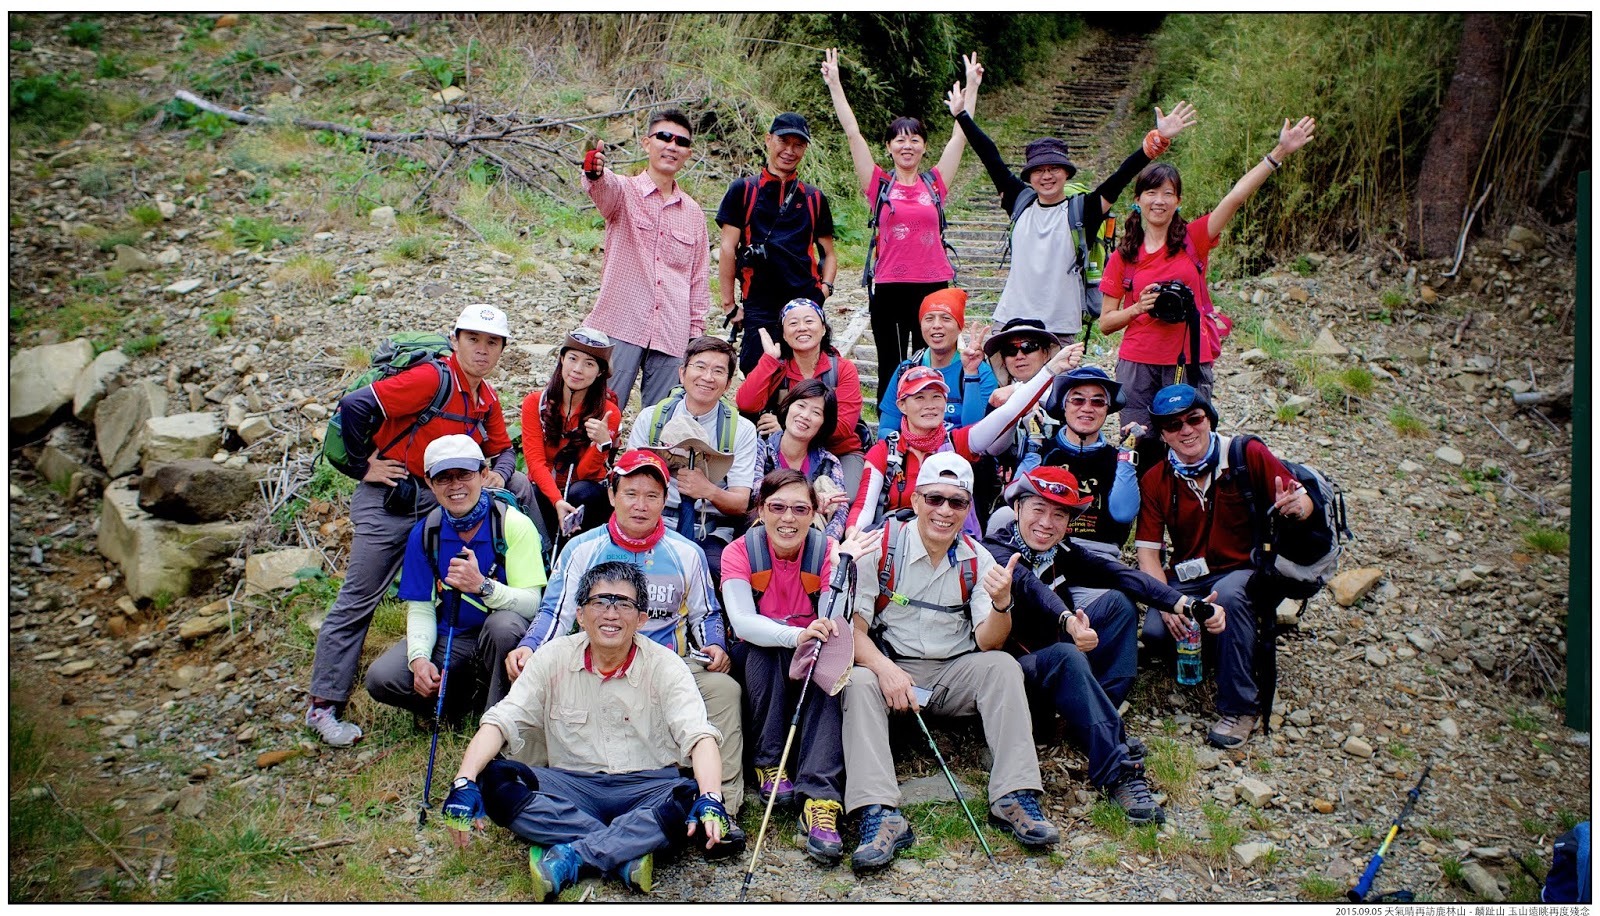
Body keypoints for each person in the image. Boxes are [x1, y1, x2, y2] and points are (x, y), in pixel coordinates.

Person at [439, 561, 739, 900]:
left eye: (623, 604)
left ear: (641, 619)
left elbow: (699, 736)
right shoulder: (552, 657)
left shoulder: (666, 664)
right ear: (580, 615)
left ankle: (575, 854)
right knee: (494, 780)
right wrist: (463, 781)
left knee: (691, 796)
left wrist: (711, 797)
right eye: (600, 602)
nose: (611, 614)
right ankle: (626, 850)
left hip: (646, 786)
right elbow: (501, 720)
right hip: (572, 786)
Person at [306, 304, 535, 747]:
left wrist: (500, 475)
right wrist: (362, 467)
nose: (483, 350)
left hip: (438, 497)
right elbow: (355, 405)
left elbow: (504, 450)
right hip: (390, 497)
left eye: (492, 343)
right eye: (473, 340)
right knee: (360, 596)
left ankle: (522, 604)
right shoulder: (433, 379)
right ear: (455, 340)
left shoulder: (484, 396)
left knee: (518, 486)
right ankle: (324, 704)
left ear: (502, 349)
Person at [843, 453, 1059, 872]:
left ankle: (1014, 795)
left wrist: (1002, 603)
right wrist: (886, 670)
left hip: (952, 672)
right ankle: (878, 812)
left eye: (957, 502)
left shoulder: (979, 559)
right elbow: (853, 629)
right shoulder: (880, 547)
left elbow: (989, 641)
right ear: (916, 500)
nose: (945, 511)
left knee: (1002, 668)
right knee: (857, 681)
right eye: (934, 499)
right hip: (890, 666)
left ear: (967, 508)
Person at [506, 450, 746, 821]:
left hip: (670, 668)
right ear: (611, 495)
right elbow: (555, 612)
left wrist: (714, 644)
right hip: (595, 662)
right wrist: (529, 647)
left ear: (664, 501)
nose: (640, 505)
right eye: (631, 494)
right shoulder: (581, 549)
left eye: (652, 496)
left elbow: (706, 613)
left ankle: (721, 807)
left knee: (724, 690)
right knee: (533, 676)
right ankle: (531, 791)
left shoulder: (688, 553)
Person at [983, 466, 1209, 825]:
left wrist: (1187, 605)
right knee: (1066, 655)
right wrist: (1069, 621)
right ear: (1017, 508)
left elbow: (1120, 573)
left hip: (1059, 666)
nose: (1047, 523)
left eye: (1059, 515)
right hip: (1015, 681)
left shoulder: (1060, 551)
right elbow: (1032, 589)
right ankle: (1117, 770)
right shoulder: (995, 551)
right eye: (1038, 509)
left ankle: (1093, 721)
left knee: (1118, 603)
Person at [1099, 116, 1317, 433]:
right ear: (1138, 200)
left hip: (1188, 360)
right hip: (1137, 364)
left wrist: (1279, 152)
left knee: (1191, 443)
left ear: (1178, 201)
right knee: (1138, 443)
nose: (1159, 200)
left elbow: (1236, 197)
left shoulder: (1194, 239)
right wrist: (1138, 308)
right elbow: (1105, 323)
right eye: (1151, 192)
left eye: (1168, 193)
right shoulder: (1124, 256)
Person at [1134, 384, 1314, 748]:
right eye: (1173, 425)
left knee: (1229, 598)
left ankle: (1240, 707)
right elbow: (1148, 554)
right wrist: (1165, 601)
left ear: (1209, 419)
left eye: (1194, 419)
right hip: (1189, 574)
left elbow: (1302, 499)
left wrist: (1297, 507)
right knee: (1155, 632)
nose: (1186, 430)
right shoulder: (1156, 479)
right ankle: (1228, 645)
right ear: (1163, 435)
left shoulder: (1246, 454)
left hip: (1245, 569)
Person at [721, 470, 873, 866]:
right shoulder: (739, 551)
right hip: (760, 660)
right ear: (760, 510)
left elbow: (833, 620)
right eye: (777, 507)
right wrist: (796, 635)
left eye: (800, 509)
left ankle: (820, 798)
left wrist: (843, 572)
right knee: (764, 648)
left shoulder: (827, 551)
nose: (788, 518)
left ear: (815, 513)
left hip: (810, 655)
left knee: (830, 667)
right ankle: (769, 762)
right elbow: (743, 622)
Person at [956, 102, 1197, 337]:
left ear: (1066, 172)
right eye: (1039, 170)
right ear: (1029, 176)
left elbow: (1121, 177)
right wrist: (961, 115)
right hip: (1010, 320)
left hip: (1059, 326)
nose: (1047, 176)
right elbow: (990, 157)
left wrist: (1157, 141)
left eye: (1054, 168)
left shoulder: (1083, 210)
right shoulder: (1019, 201)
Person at [821, 47, 983, 398]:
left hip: (933, 287)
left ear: (924, 147)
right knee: (891, 366)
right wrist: (835, 84)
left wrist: (972, 86)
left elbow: (960, 136)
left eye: (914, 139)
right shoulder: (878, 184)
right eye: (900, 139)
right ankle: (889, 425)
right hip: (890, 287)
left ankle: (932, 421)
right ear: (889, 146)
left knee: (933, 364)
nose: (907, 145)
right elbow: (853, 134)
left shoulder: (935, 183)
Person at [364, 436, 547, 720]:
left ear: (483, 474)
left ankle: (498, 717)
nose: (455, 485)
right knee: (382, 677)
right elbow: (421, 607)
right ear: (429, 482)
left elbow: (533, 604)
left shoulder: (513, 524)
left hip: (504, 633)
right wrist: (419, 658)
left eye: (464, 474)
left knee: (502, 626)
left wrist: (483, 586)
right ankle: (456, 705)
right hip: (455, 635)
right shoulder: (426, 533)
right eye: (444, 478)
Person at [847, 339, 1082, 535]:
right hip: (896, 546)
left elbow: (1009, 412)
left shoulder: (957, 442)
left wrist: (1051, 370)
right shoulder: (884, 452)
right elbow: (863, 508)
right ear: (902, 406)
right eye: (919, 398)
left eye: (937, 397)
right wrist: (852, 542)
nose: (930, 405)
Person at [579, 109, 712, 409]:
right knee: (601, 410)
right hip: (621, 323)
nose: (672, 146)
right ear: (646, 143)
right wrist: (594, 171)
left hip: (673, 332)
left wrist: (696, 337)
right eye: (664, 137)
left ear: (688, 153)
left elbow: (699, 278)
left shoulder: (694, 213)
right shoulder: (624, 191)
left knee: (663, 418)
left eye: (681, 141)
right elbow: (601, 187)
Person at [1002, 366, 1144, 611]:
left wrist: (1127, 456)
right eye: (1077, 400)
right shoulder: (1045, 451)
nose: (1087, 408)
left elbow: (1123, 513)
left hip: (1096, 557)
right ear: (1064, 406)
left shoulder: (1116, 459)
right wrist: (1034, 448)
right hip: (1041, 549)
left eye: (1097, 402)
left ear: (1107, 409)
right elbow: (1013, 498)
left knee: (1122, 607)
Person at [625, 335, 757, 581]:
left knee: (715, 572)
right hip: (653, 518)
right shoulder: (651, 419)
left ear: (728, 384)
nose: (707, 377)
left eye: (718, 371)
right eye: (700, 367)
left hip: (710, 527)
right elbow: (628, 481)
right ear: (682, 373)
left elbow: (740, 503)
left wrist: (709, 490)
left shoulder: (741, 430)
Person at [715, 113, 838, 375]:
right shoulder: (743, 190)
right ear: (768, 139)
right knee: (757, 372)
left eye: (798, 145)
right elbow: (727, 249)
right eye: (783, 141)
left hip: (804, 301)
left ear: (805, 149)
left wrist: (824, 290)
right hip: (759, 302)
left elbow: (828, 252)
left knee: (805, 376)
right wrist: (729, 306)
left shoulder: (814, 198)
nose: (789, 151)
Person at [734, 297, 865, 495]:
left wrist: (790, 430)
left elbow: (844, 427)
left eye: (809, 321)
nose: (802, 328)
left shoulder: (843, 369)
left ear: (823, 329)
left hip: (839, 451)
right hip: (785, 453)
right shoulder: (777, 368)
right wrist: (768, 360)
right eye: (793, 323)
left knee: (847, 499)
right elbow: (746, 403)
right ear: (784, 335)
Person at [520, 327, 622, 545]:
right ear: (561, 359)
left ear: (600, 372)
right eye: (572, 358)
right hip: (545, 488)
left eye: (589, 364)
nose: (577, 369)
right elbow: (535, 462)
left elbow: (585, 473)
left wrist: (602, 444)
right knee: (533, 492)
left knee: (581, 493)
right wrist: (557, 500)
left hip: (585, 494)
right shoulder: (534, 403)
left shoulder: (608, 413)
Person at [873, 288, 997, 438]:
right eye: (929, 318)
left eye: (946, 318)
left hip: (959, 450)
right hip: (912, 450)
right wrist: (908, 447)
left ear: (960, 327)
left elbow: (976, 434)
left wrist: (971, 374)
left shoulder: (980, 372)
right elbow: (886, 429)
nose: (936, 325)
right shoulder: (907, 370)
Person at [750, 380, 850, 541]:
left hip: (812, 540)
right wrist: (811, 500)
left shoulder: (829, 463)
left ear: (824, 423)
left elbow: (840, 510)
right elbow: (754, 492)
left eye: (816, 412)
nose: (805, 416)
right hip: (762, 534)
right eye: (801, 406)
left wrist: (829, 543)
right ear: (788, 406)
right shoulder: (761, 449)